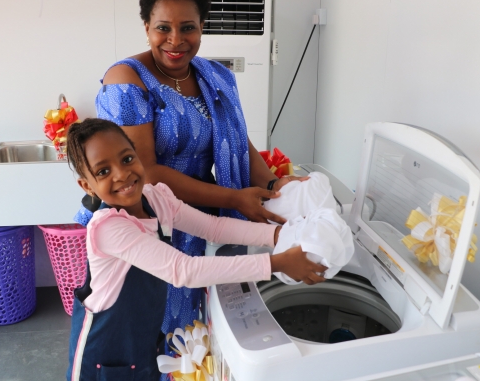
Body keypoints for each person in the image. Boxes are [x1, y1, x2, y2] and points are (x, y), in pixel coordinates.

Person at [74, 0, 308, 345]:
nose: (176, 40)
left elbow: (235, 139)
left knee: (190, 332)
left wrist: (272, 183)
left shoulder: (214, 74)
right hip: (141, 218)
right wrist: (234, 199)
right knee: (143, 329)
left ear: (203, 27)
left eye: (188, 28)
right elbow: (145, 172)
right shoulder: (126, 81)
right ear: (146, 26)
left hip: (191, 215)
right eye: (163, 28)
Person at [65, 118, 326, 381]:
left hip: (141, 344)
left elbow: (214, 227)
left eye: (126, 159)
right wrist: (277, 263)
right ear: (87, 186)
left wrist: (279, 234)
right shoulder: (109, 228)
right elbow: (183, 270)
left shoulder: (156, 198)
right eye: (102, 172)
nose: (121, 175)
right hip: (102, 358)